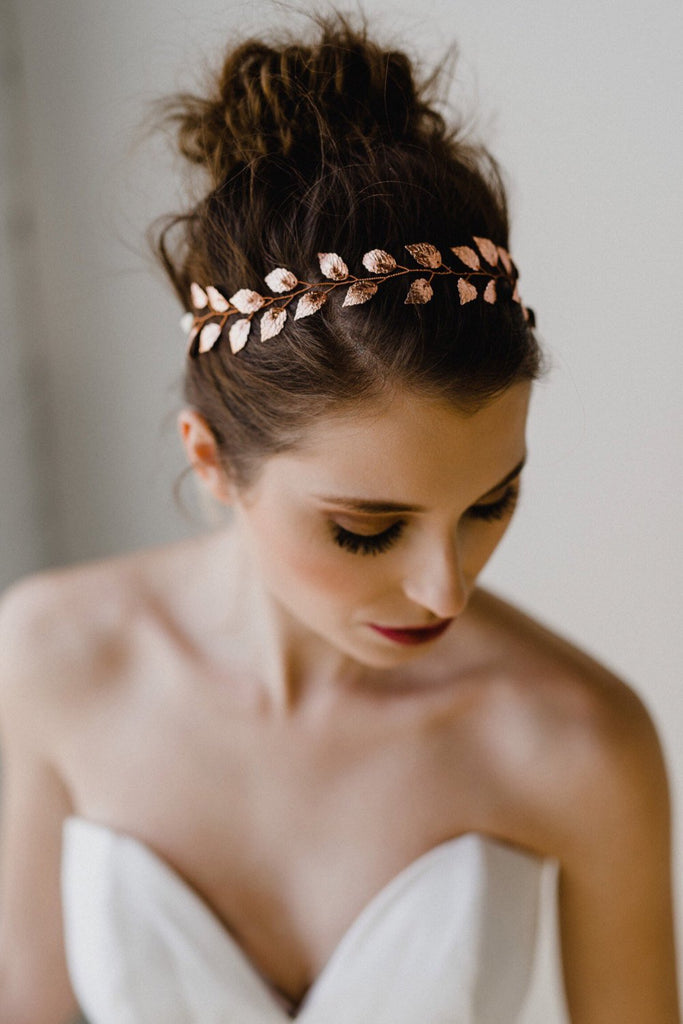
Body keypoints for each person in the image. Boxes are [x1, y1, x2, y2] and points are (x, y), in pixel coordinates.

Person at [0, 13, 678, 1024]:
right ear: (210, 459)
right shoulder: (52, 658)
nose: (445, 587)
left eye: (489, 503)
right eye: (365, 528)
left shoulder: (577, 743)